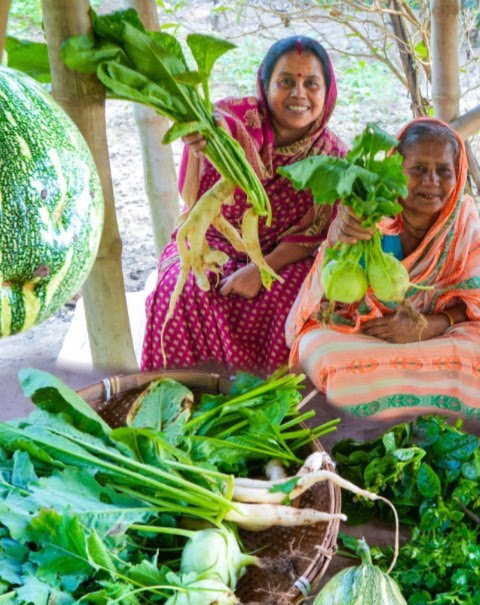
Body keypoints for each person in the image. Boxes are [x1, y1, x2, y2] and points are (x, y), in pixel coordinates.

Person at [285, 118, 480, 436]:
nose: (431, 181)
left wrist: (426, 326)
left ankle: (464, 442)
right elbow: (331, 298)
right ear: (396, 168)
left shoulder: (462, 220)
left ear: (458, 174)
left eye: (443, 171)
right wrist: (340, 239)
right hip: (371, 332)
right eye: (418, 169)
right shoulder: (367, 213)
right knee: (322, 351)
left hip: (439, 331)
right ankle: (358, 447)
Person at [141, 36, 345, 376]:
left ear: (327, 92)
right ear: (265, 87)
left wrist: (261, 270)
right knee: (182, 290)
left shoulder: (332, 155)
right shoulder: (229, 122)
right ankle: (185, 400)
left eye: (311, 84)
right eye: (286, 82)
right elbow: (193, 198)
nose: (299, 94)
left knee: (291, 301)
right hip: (214, 238)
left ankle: (268, 406)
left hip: (283, 254)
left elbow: (315, 233)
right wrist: (200, 144)